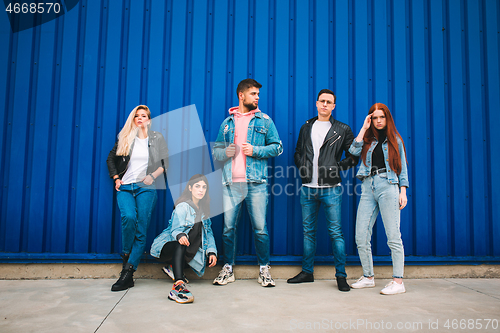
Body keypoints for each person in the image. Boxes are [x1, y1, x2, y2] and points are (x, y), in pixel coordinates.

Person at [212, 78, 282, 287]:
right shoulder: (227, 123)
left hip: (256, 183)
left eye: (258, 94)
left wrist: (257, 151)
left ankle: (264, 269)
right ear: (241, 95)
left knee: (260, 228)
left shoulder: (265, 120)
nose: (257, 98)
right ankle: (228, 268)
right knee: (228, 229)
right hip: (231, 184)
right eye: (253, 94)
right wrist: (225, 151)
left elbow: (278, 147)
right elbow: (216, 152)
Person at [288, 89, 357, 292]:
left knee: (336, 233)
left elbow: (353, 156)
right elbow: (298, 152)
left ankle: (341, 276)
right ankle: (307, 272)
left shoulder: (342, 129)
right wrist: (302, 167)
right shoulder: (306, 127)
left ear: (333, 106)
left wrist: (337, 167)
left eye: (329, 102)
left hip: (331, 189)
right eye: (322, 101)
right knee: (308, 233)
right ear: (316, 104)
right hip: (308, 188)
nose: (325, 104)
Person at [106, 105, 168, 292]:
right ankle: (127, 254)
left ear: (149, 120)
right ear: (133, 120)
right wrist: (116, 178)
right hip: (125, 187)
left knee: (141, 230)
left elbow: (164, 162)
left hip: (145, 188)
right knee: (129, 218)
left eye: (144, 116)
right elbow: (110, 159)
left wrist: (152, 176)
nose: (140, 118)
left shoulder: (156, 138)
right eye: (137, 116)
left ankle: (128, 273)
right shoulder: (125, 138)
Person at [348, 103, 409, 295]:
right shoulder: (367, 140)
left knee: (393, 236)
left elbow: (402, 168)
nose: (378, 120)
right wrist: (363, 128)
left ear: (387, 118)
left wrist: (403, 191)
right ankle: (368, 277)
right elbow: (353, 152)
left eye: (381, 117)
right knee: (361, 235)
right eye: (374, 118)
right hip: (368, 186)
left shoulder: (395, 140)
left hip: (388, 185)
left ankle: (398, 282)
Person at [150, 174, 217, 304]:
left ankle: (173, 268)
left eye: (204, 187)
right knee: (180, 244)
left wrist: (212, 251)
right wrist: (180, 235)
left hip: (186, 249)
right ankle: (178, 286)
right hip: (168, 246)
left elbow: (208, 233)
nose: (201, 190)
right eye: (197, 186)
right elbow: (176, 229)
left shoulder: (204, 211)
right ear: (190, 188)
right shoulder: (183, 206)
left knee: (202, 254)